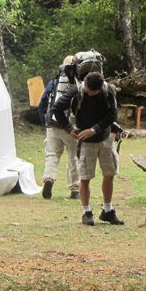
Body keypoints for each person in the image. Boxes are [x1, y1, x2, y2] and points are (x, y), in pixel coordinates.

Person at [51, 71, 123, 226]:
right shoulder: (76, 90)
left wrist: (95, 129)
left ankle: (108, 210)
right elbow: (56, 109)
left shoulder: (108, 90)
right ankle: (86, 212)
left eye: (92, 92)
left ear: (99, 89)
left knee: (109, 174)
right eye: (87, 91)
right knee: (85, 178)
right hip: (85, 142)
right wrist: (69, 128)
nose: (89, 93)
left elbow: (112, 114)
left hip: (105, 138)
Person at [41, 55, 80, 199]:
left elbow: (43, 102)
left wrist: (45, 119)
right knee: (73, 157)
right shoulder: (78, 84)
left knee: (52, 154)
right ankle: (75, 189)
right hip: (70, 126)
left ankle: (49, 179)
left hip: (52, 124)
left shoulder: (54, 82)